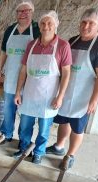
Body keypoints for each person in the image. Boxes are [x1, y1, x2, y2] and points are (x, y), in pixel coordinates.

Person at [46, 8, 98, 170]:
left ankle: (70, 155)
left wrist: (94, 100)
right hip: (66, 92)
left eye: (91, 23)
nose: (86, 26)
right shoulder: (72, 41)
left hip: (84, 96)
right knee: (64, 120)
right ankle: (59, 146)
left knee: (77, 126)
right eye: (84, 22)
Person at [13, 11, 71, 164]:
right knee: (25, 126)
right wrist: (18, 92)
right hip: (30, 93)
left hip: (49, 96)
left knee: (44, 129)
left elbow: (66, 73)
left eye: (49, 23)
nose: (46, 26)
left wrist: (60, 97)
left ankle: (39, 152)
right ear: (39, 26)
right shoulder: (31, 45)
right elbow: (24, 70)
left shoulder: (63, 46)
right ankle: (23, 148)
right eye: (43, 23)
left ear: (56, 25)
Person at [0, 1, 40, 145]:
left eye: (26, 11)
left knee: (26, 112)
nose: (23, 14)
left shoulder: (37, 29)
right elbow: (3, 52)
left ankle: (24, 140)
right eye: (20, 11)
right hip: (11, 75)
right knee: (8, 108)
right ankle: (6, 134)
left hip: (30, 79)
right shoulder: (10, 30)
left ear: (32, 12)